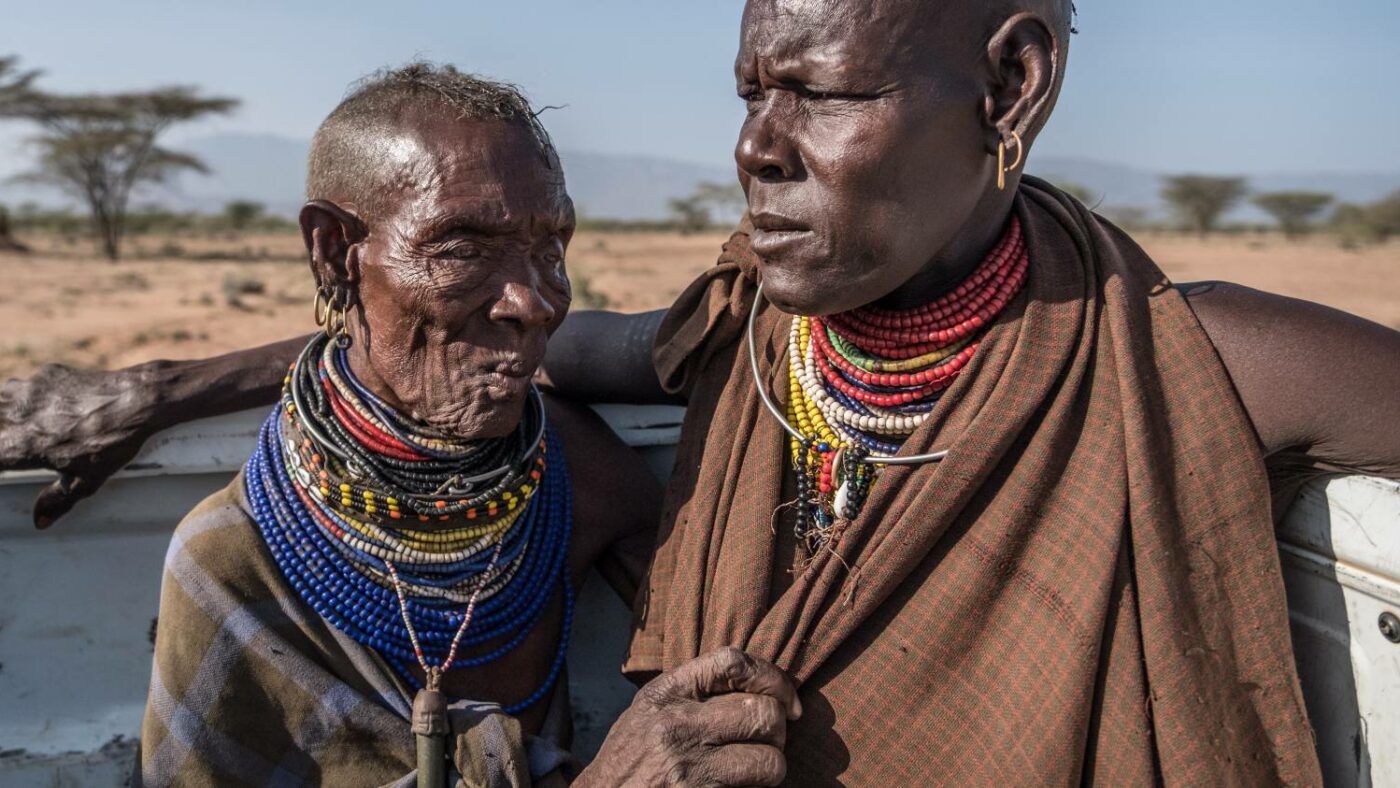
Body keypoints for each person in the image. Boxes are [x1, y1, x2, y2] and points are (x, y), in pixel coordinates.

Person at [5, 1, 1400, 784]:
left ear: (1012, 88)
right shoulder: (750, 335)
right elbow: (497, 339)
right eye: (748, 91)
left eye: (819, 92)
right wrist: (169, 383)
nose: (753, 148)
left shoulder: (1188, 362)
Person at [125, 65, 798, 788]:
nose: (533, 302)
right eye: (463, 248)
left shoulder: (573, 471)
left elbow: (726, 675)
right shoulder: (231, 558)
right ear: (333, 252)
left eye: (550, 249)